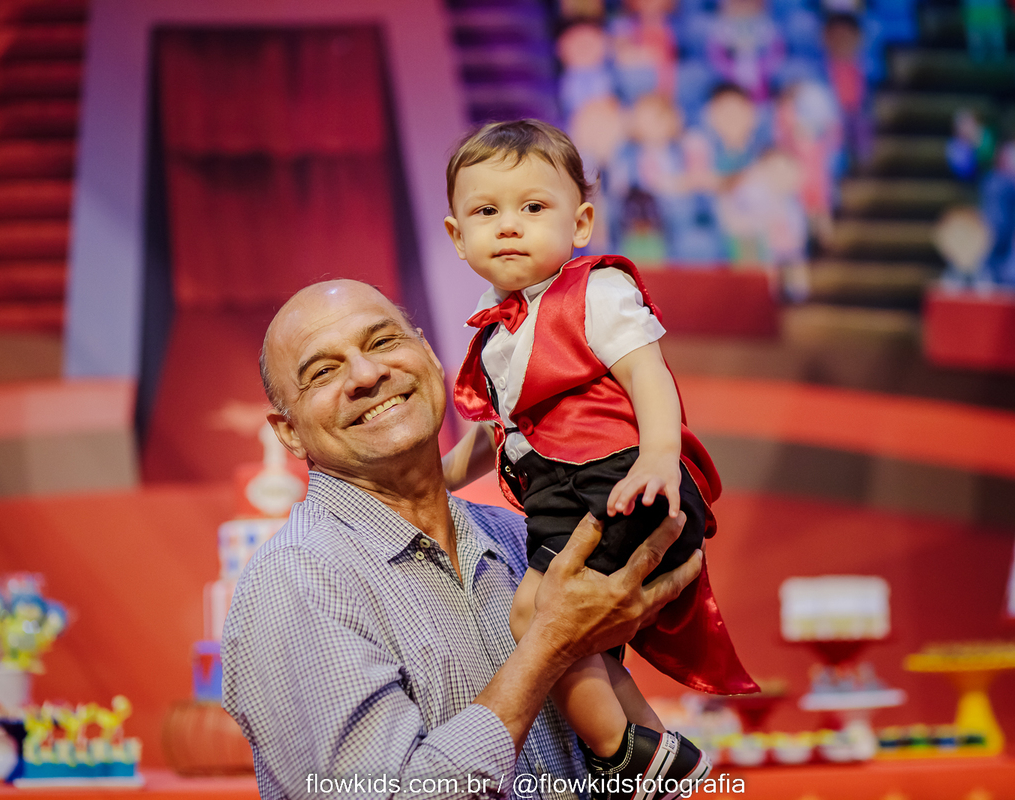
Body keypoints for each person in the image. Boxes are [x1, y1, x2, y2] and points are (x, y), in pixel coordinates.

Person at [221, 279, 703, 800]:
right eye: (323, 372)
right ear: (289, 432)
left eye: (383, 342)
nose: (366, 374)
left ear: (430, 357)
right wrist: (549, 646)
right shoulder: (296, 579)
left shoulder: (520, 539)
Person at [441, 120, 756, 794]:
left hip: (617, 479)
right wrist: (435, 480)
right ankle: (660, 756)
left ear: (580, 222)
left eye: (533, 207)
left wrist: (659, 459)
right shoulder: (496, 325)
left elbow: (649, 376)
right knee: (573, 635)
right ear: (457, 236)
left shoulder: (596, 291)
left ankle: (618, 756)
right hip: (561, 490)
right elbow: (503, 432)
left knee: (536, 617)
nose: (508, 226)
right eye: (486, 212)